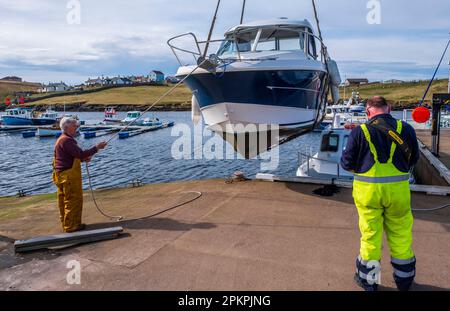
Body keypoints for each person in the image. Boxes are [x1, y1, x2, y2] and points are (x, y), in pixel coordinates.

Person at [340, 96, 420, 291]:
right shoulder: (406, 129)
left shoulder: (360, 132)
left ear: (367, 112)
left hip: (368, 195)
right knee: (401, 235)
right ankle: (404, 281)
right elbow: (413, 159)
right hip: (398, 194)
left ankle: (369, 281)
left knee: (370, 236)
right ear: (389, 108)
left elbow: (347, 163)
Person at [52, 117, 107, 233]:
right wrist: (97, 148)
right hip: (68, 176)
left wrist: (82, 159)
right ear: (66, 127)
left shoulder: (61, 139)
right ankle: (72, 227)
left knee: (65, 201)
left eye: (76, 126)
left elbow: (70, 156)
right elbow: (80, 153)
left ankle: (67, 223)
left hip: (60, 175)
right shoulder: (67, 140)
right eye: (74, 126)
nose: (76, 128)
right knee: (73, 200)